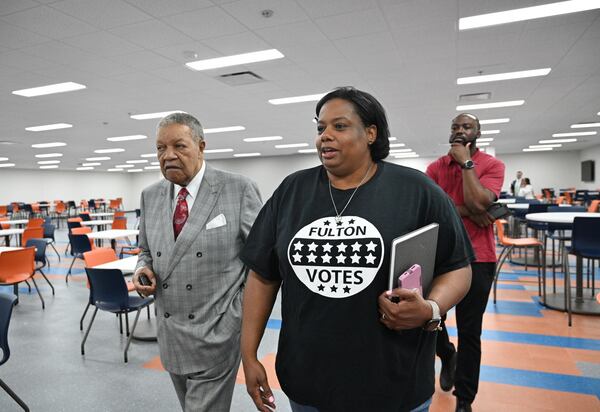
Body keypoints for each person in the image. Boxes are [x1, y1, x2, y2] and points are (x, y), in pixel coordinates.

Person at [240, 87, 474, 412]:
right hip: (309, 382)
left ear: (370, 133)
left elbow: (458, 266)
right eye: (320, 128)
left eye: (339, 126)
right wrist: (248, 354)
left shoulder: (417, 191)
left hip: (394, 382)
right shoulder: (292, 192)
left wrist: (431, 309)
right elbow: (262, 275)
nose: (325, 136)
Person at [132, 112, 262, 412]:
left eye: (179, 146)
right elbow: (145, 250)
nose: (168, 156)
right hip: (171, 335)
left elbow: (263, 260)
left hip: (217, 330)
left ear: (201, 147)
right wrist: (143, 269)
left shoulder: (237, 189)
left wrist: (236, 314)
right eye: (160, 149)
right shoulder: (150, 196)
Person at [426, 113, 505, 412]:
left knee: (471, 332)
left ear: (478, 133)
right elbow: (434, 212)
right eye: (455, 126)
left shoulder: (492, 166)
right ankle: (446, 354)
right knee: (430, 320)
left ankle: (465, 398)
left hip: (479, 259)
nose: (460, 130)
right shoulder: (434, 168)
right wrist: (471, 210)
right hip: (442, 257)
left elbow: (480, 203)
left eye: (467, 127)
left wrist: (466, 164)